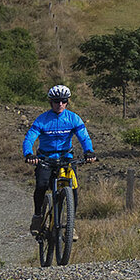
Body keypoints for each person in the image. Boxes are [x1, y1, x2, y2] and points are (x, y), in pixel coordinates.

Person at [23, 83, 96, 238]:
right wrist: (29, 154)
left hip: (66, 160)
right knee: (41, 185)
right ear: (51, 102)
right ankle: (37, 217)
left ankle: (70, 226)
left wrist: (88, 151)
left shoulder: (73, 118)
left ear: (67, 102)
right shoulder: (42, 120)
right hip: (45, 159)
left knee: (74, 190)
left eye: (64, 101)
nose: (60, 104)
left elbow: (84, 137)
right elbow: (30, 138)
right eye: (57, 101)